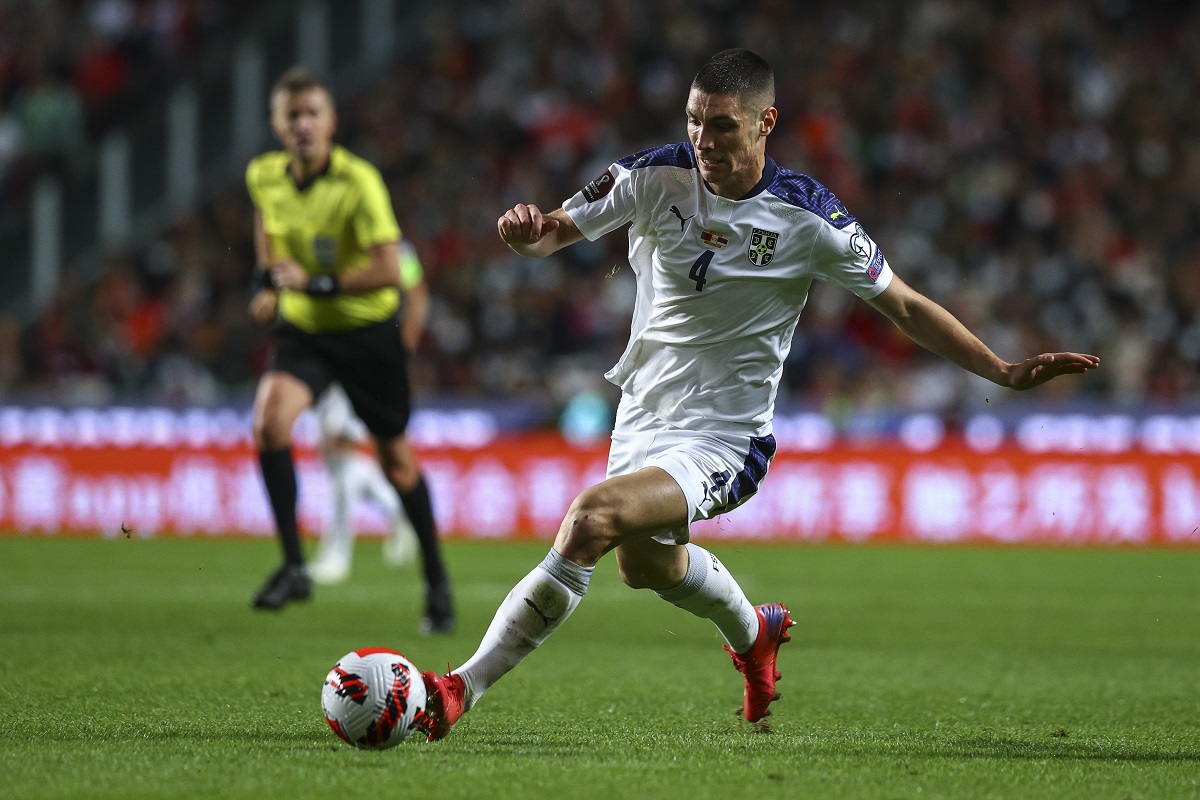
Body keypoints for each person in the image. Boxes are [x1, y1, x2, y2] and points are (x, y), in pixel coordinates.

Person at [415, 48, 1100, 739]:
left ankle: (457, 689)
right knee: (645, 567)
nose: (703, 142)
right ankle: (756, 636)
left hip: (726, 438)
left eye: (722, 127)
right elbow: (554, 233)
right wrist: (524, 236)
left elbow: (907, 307)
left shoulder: (809, 218)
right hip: (642, 419)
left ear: (765, 122)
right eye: (694, 123)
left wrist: (1005, 372)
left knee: (592, 520)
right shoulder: (654, 176)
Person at [245, 66, 454, 634]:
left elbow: (391, 270)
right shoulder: (263, 176)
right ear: (277, 124)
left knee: (395, 461)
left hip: (365, 335)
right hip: (306, 331)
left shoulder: (359, 182)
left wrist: (313, 283)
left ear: (331, 121)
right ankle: (294, 565)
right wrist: (266, 284)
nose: (303, 125)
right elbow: (266, 229)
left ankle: (437, 583)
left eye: (312, 113)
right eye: (293, 116)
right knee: (269, 424)